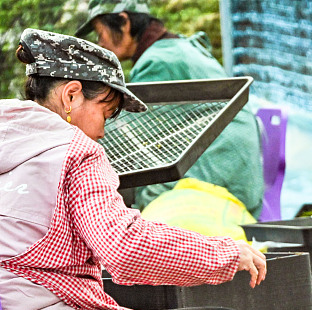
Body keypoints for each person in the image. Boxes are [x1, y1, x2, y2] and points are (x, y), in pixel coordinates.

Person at [0, 29, 267, 310]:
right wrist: (226, 253)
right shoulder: (76, 151)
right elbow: (125, 250)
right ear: (72, 94)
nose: (102, 131)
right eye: (105, 114)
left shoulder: (7, 132)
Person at [76, 0, 264, 217]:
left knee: (138, 211)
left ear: (124, 22)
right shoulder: (175, 48)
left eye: (101, 33)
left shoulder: (158, 62)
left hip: (220, 181)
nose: (101, 43)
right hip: (243, 181)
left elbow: (140, 145)